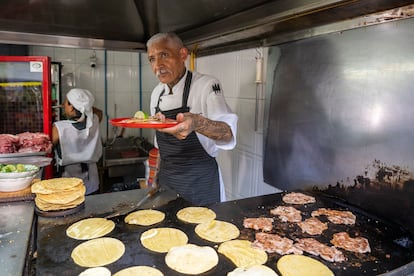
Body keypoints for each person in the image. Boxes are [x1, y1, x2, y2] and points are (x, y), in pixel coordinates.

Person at [147, 32, 238, 205]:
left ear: (182, 55)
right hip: (167, 184)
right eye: (152, 59)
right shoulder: (156, 93)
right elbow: (161, 148)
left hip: (200, 184)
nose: (158, 65)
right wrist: (155, 178)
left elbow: (228, 134)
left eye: (164, 55)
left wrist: (196, 123)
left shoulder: (206, 85)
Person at [52, 88, 103, 195]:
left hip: (69, 182)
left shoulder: (59, 128)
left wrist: (79, 105)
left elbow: (48, 147)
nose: (63, 104)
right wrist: (84, 106)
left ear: (71, 107)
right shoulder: (94, 120)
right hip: (92, 180)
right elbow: (99, 111)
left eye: (66, 102)